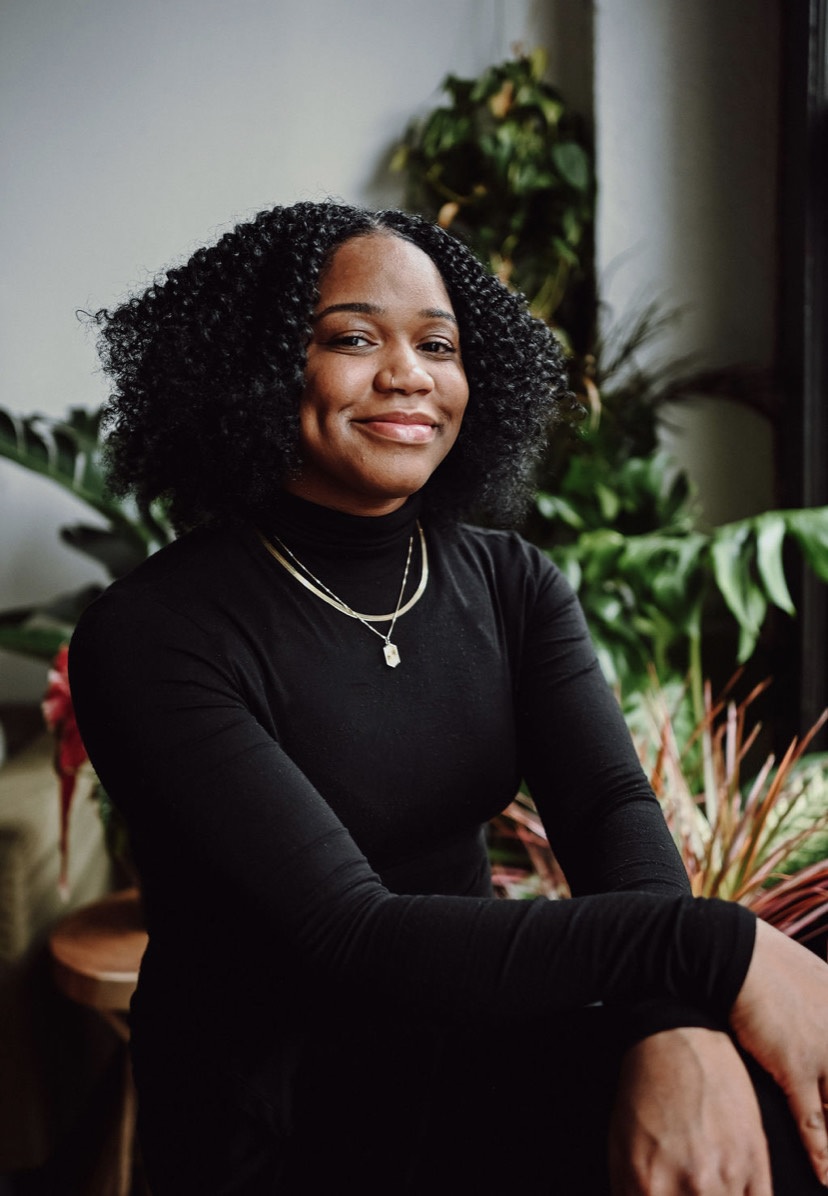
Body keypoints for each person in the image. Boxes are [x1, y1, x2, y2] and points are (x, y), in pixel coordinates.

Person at [69, 201, 828, 1195]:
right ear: (256, 369)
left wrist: (670, 1023)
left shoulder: (510, 582)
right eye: (353, 337)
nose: (408, 374)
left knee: (764, 1118)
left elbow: (608, 809)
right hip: (279, 1125)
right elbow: (352, 933)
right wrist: (715, 945)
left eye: (438, 344)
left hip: (478, 1063)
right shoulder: (154, 630)